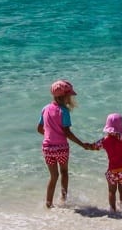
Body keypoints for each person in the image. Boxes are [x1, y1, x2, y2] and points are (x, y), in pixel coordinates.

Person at [37, 79, 89, 208]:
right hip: (61, 148)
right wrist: (82, 144)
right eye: (69, 95)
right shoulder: (64, 111)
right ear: (65, 96)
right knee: (64, 173)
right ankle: (63, 199)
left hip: (47, 148)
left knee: (53, 176)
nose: (70, 98)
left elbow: (39, 129)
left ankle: (48, 204)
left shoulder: (45, 109)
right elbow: (67, 133)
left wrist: (51, 135)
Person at [88, 112, 122, 212]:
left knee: (112, 191)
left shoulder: (104, 141)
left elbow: (93, 147)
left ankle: (113, 211)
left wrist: (85, 145)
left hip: (112, 172)